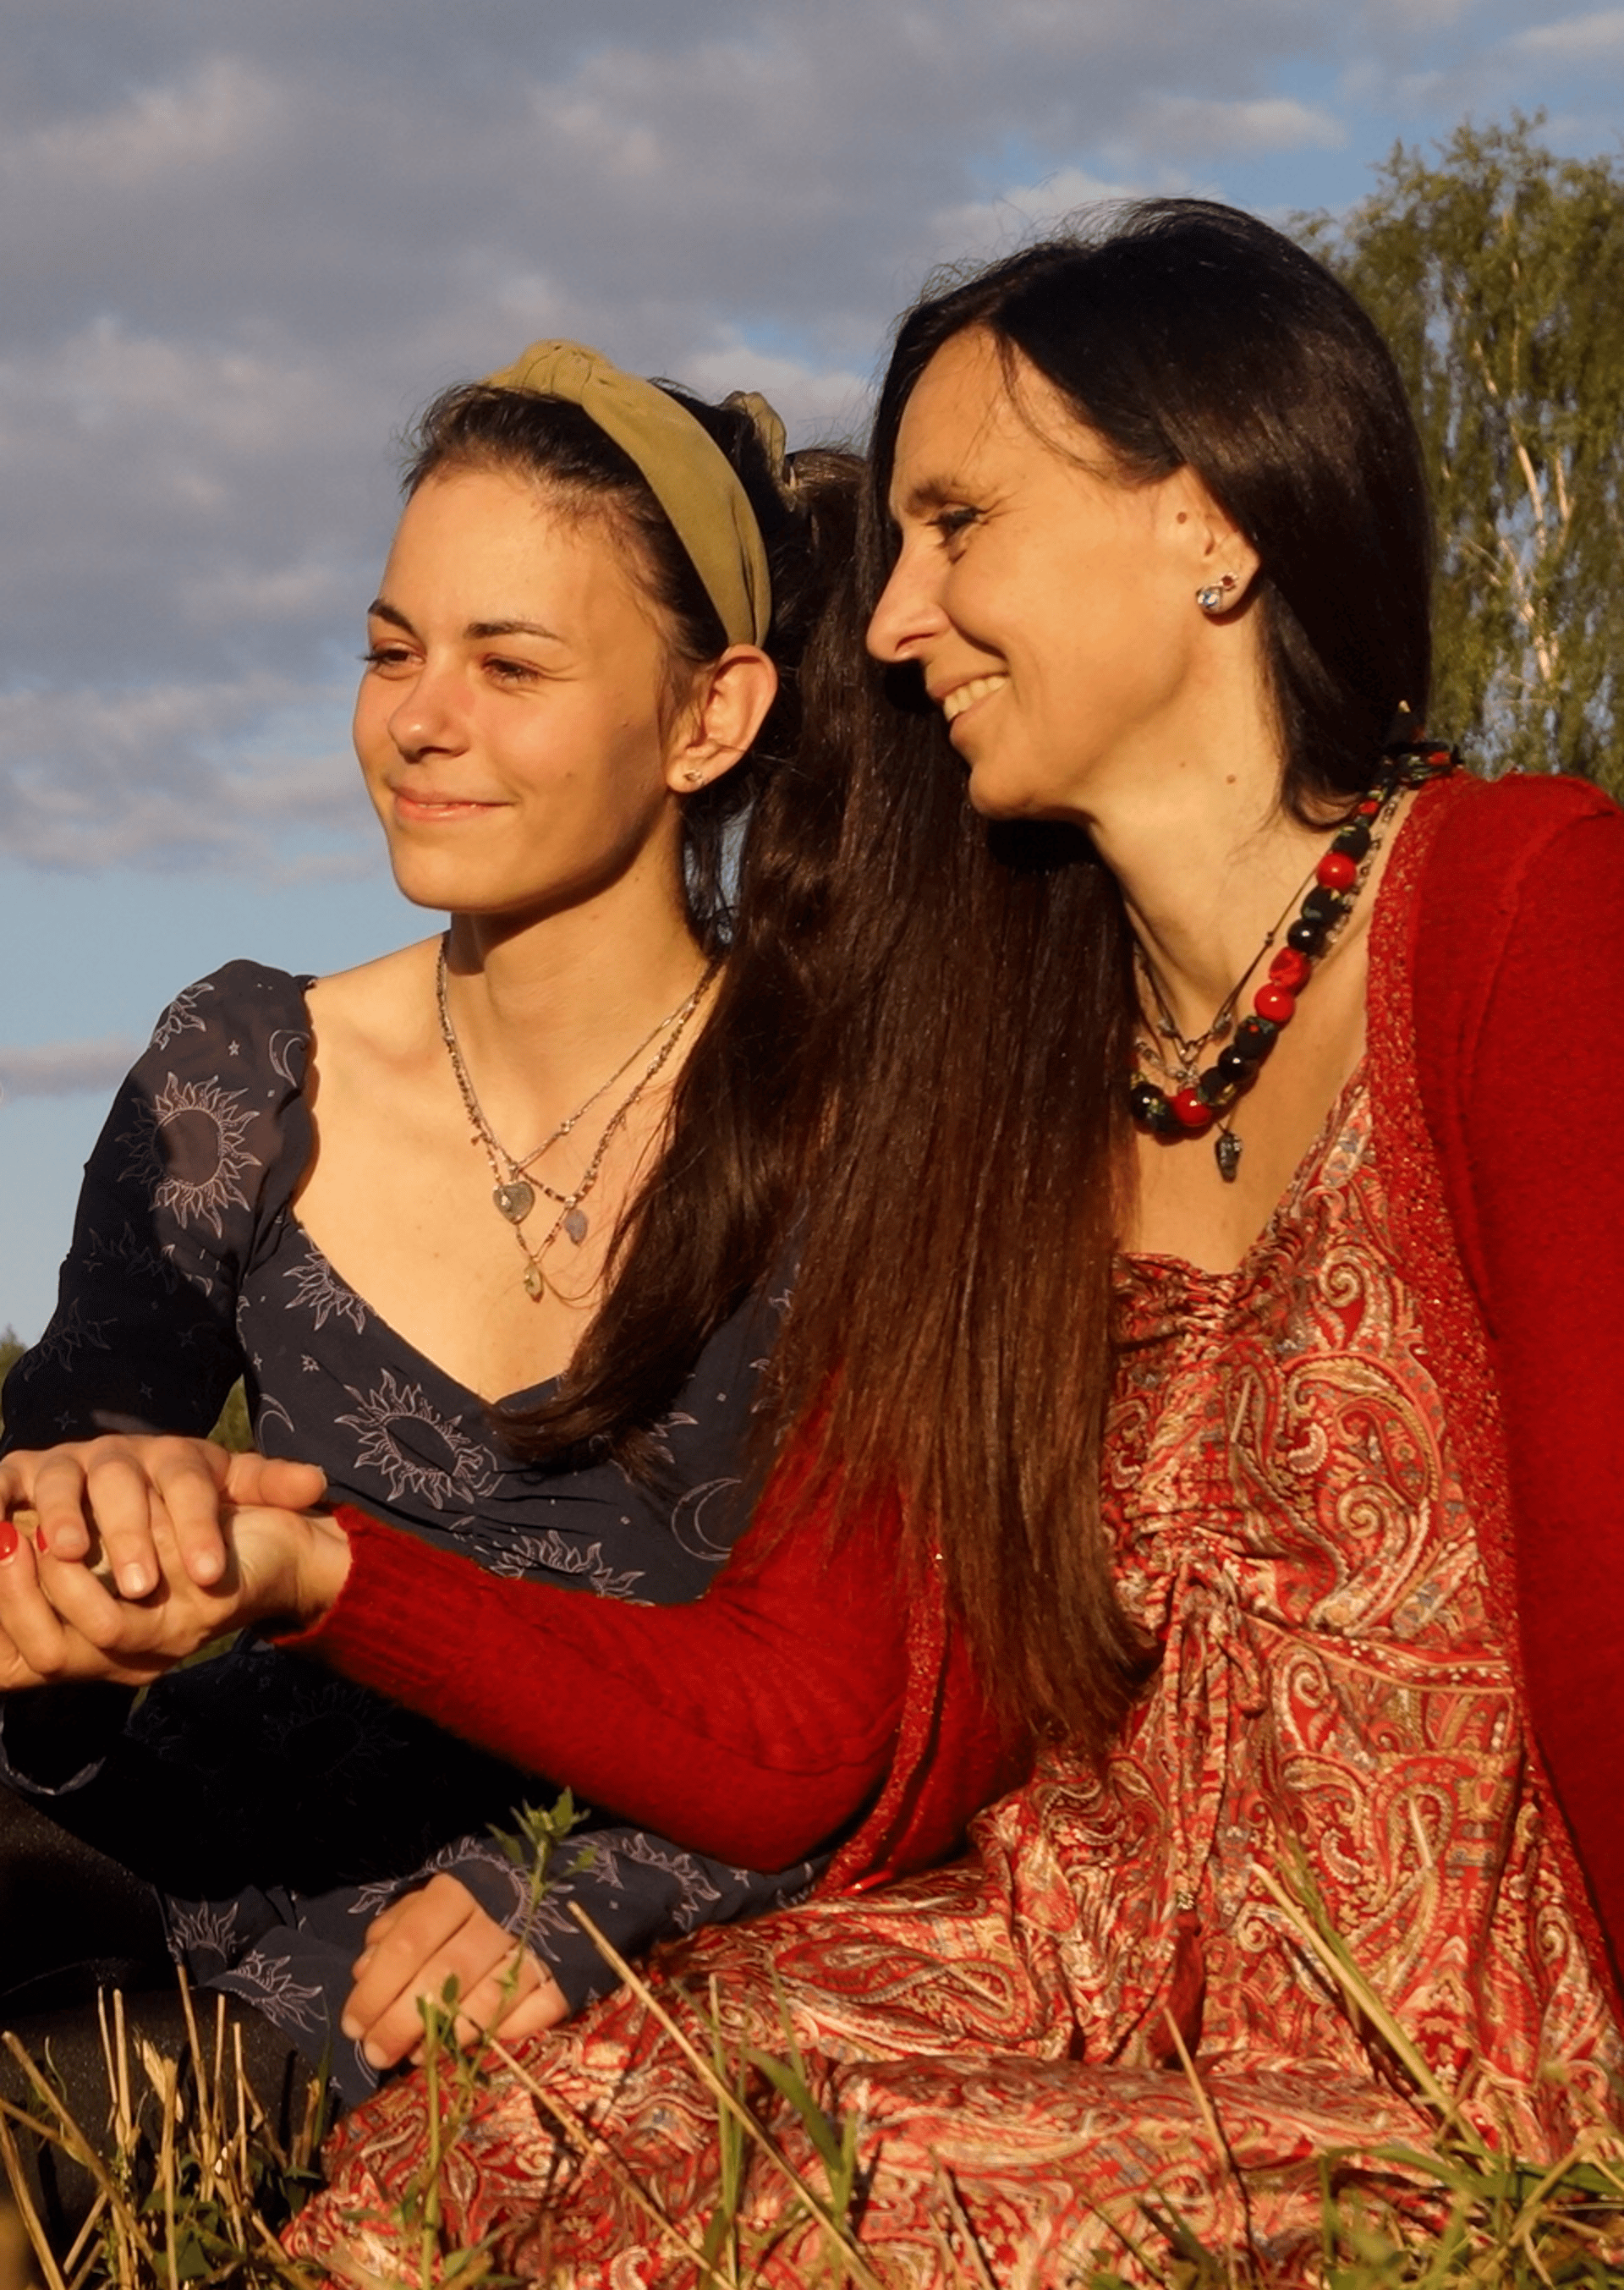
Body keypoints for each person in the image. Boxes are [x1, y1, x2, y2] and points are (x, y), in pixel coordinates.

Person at [8, 199, 1622, 2290]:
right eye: (391, 649)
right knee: (530, 2165)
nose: (903, 610)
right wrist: (312, 1564)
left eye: (962, 521)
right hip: (1050, 1956)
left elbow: (1612, 1584)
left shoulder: (1523, 906)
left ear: (1208, 527)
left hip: (1444, 1998)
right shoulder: (1005, 1098)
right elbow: (817, 1714)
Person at [0, 340, 1018, 2172]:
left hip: (398, 1969)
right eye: (393, 650)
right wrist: (66, 1565)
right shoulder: (245, 1067)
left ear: (708, 720)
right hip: (143, 1845)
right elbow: (59, 1484)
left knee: (62, 2143)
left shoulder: (856, 1131)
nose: (418, 719)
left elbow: (888, 1682)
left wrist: (598, 1882)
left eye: (509, 664)